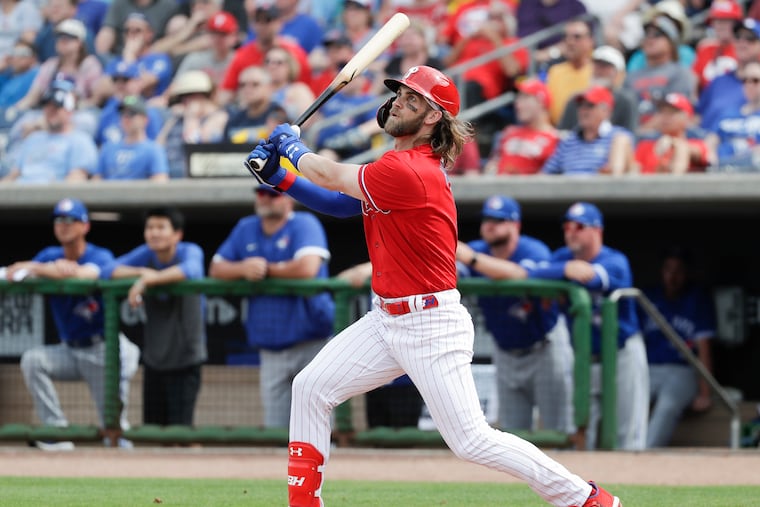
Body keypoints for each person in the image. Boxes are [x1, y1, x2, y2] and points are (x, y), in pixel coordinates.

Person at [245, 64, 622, 507]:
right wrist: (281, 177)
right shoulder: (393, 167)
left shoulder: (411, 170)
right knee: (310, 388)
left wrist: (292, 146)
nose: (399, 103)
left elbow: (331, 177)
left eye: (413, 100)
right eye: (400, 95)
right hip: (386, 319)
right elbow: (338, 204)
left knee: (472, 441)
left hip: (430, 324)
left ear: (431, 118)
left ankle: (586, 498)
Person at [6, 198, 140, 450]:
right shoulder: (49, 255)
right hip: (69, 350)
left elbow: (87, 274)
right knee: (33, 360)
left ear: (85, 226)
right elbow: (16, 273)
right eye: (59, 220)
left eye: (71, 220)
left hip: (103, 352)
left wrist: (46, 269)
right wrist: (45, 267)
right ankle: (56, 432)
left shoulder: (99, 254)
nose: (63, 225)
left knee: (114, 431)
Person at [208, 185, 335, 429]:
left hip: (313, 341)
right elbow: (216, 268)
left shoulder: (304, 223)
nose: (265, 199)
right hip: (271, 343)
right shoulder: (246, 227)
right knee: (277, 428)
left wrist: (266, 270)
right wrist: (243, 269)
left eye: (273, 194)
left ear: (288, 200)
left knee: (318, 422)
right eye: (261, 193)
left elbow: (307, 268)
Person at [527, 202, 648, 451]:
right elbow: (531, 272)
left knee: (628, 435)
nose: (571, 231)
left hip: (621, 353)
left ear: (597, 230)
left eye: (579, 226)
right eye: (567, 226)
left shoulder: (616, 260)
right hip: (583, 359)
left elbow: (593, 278)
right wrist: (566, 269)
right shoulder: (562, 257)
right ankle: (588, 489)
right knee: (582, 434)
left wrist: (564, 274)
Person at [455, 195, 575, 434]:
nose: (490, 225)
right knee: (512, 433)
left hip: (544, 347)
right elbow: (453, 272)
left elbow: (520, 274)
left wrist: (472, 259)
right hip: (506, 352)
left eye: (499, 220)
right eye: (487, 219)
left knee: (559, 430)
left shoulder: (532, 249)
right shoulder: (477, 249)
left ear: (515, 225)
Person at [100, 206, 207, 427]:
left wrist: (149, 281)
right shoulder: (146, 254)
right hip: (155, 360)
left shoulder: (189, 250)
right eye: (150, 227)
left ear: (177, 234)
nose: (154, 233)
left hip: (186, 358)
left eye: (161, 227)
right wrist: (141, 273)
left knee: (181, 433)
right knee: (155, 430)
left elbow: (192, 270)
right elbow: (107, 270)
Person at [638, 247, 716, 448]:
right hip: (649, 369)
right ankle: (621, 452)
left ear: (686, 273)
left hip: (682, 371)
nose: (673, 276)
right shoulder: (648, 297)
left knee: (668, 404)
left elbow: (704, 348)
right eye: (668, 269)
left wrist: (705, 393)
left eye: (678, 270)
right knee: (631, 401)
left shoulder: (697, 299)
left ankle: (643, 455)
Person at [2, 78, 98, 183]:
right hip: (20, 194)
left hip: (50, 196)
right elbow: (13, 176)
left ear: (69, 111)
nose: (50, 112)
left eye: (56, 108)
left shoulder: (80, 141)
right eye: (47, 107)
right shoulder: (33, 139)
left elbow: (76, 180)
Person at [541, 85, 635, 176]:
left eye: (590, 105)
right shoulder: (568, 141)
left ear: (606, 111)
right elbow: (545, 176)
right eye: (580, 105)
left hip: (600, 191)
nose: (583, 110)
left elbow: (617, 177)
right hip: (568, 190)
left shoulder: (619, 137)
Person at [484, 77, 559, 175]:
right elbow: (492, 165)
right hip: (499, 186)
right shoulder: (509, 132)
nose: (518, 105)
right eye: (518, 98)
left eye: (524, 98)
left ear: (541, 101)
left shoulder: (556, 139)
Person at [558, 45, 639, 133]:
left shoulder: (626, 101)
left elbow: (629, 135)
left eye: (605, 66)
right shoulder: (576, 99)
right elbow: (563, 133)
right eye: (596, 65)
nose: (599, 70)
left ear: (617, 73)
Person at [93, 95, 170, 181]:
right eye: (122, 114)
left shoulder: (153, 150)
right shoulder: (107, 148)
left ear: (145, 119)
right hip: (108, 193)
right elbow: (96, 182)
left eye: (131, 114)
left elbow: (160, 183)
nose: (126, 118)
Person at [634, 93, 715, 174]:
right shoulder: (645, 145)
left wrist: (673, 143)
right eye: (662, 112)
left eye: (672, 112)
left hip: (685, 185)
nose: (665, 117)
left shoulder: (697, 143)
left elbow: (702, 155)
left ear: (687, 117)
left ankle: (674, 184)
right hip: (648, 185)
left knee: (682, 149)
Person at [705, 60, 760, 171]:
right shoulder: (727, 114)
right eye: (745, 80)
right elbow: (710, 142)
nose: (749, 85)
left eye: (755, 80)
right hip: (722, 168)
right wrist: (710, 156)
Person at [545, 18, 595, 126]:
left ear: (590, 41)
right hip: (557, 132)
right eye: (566, 37)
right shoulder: (554, 71)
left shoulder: (598, 70)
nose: (570, 42)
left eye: (577, 37)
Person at [223, 65, 287, 145]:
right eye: (242, 85)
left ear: (269, 87)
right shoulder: (234, 119)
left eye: (255, 84)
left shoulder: (278, 114)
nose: (247, 89)